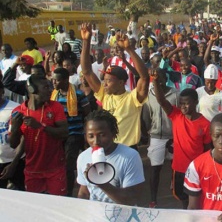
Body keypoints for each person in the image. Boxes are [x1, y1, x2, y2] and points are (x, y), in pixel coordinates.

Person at [80, 23, 150, 149]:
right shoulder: (105, 96)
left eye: (109, 81)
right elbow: (87, 72)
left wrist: (129, 48)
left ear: (121, 83)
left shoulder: (133, 98)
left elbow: (144, 77)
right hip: (107, 149)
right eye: (104, 80)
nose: (104, 84)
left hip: (129, 149)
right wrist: (86, 40)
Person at [151, 68, 212, 209]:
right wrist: (154, 81)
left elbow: (207, 149)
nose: (182, 106)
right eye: (181, 103)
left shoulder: (206, 124)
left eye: (186, 103)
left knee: (198, 198)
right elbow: (161, 100)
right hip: (179, 168)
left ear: (196, 102)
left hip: (197, 170)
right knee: (182, 197)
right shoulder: (176, 115)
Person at [9, 75, 69, 195]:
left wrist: (41, 126)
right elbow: (13, 144)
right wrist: (15, 128)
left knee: (58, 205)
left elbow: (64, 132)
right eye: (46, 87)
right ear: (32, 90)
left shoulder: (55, 107)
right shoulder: (17, 112)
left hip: (55, 169)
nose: (50, 90)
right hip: (32, 170)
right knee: (35, 208)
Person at [77, 110, 146, 206]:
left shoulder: (130, 157)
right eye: (91, 136)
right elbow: (84, 192)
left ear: (114, 133)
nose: (96, 141)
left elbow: (131, 199)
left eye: (102, 135)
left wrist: (100, 182)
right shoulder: (83, 157)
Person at [141, 68, 179, 208]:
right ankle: (153, 199)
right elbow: (146, 116)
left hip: (173, 137)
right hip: (156, 136)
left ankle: (175, 190)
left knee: (174, 166)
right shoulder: (149, 95)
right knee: (155, 168)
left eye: (161, 78)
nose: (159, 82)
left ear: (165, 78)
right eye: (156, 79)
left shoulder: (175, 94)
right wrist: (145, 133)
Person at [51, 68, 91, 197]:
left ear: (65, 80)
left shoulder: (78, 94)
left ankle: (68, 193)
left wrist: (86, 135)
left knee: (69, 165)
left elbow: (88, 114)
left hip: (74, 134)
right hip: (59, 135)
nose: (53, 82)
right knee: (59, 164)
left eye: (56, 80)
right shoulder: (53, 95)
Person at [0, 82, 25, 191]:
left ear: (2, 91)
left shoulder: (15, 109)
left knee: (22, 196)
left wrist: (14, 163)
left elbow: (24, 137)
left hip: (16, 161)